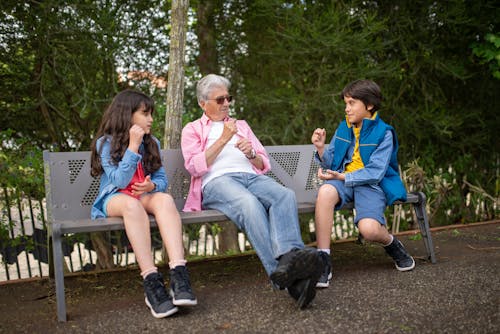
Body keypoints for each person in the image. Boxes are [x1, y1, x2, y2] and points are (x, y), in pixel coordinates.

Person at [181, 74, 323, 309]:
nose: (226, 103)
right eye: (220, 100)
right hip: (217, 182)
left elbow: (263, 164)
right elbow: (194, 167)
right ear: (202, 103)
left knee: (284, 195)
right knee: (249, 204)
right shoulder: (193, 129)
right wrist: (223, 139)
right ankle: (284, 276)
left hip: (250, 176)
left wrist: (251, 154)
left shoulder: (242, 126)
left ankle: (289, 260)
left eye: (229, 98)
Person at [90, 89, 197, 318]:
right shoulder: (105, 143)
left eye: (151, 114)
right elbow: (119, 180)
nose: (150, 119)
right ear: (127, 115)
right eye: (145, 113)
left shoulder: (152, 142)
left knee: (165, 199)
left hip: (142, 196)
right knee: (131, 205)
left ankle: (179, 274)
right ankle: (151, 282)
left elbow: (162, 180)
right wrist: (132, 146)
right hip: (115, 198)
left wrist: (151, 187)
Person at [311, 79, 415, 288]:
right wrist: (321, 149)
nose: (346, 109)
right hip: (345, 181)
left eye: (351, 103)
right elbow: (333, 162)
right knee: (325, 193)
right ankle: (323, 259)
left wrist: (344, 177)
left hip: (370, 184)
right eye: (345, 104)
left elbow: (376, 172)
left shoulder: (384, 133)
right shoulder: (345, 127)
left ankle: (391, 243)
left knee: (369, 230)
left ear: (369, 105)